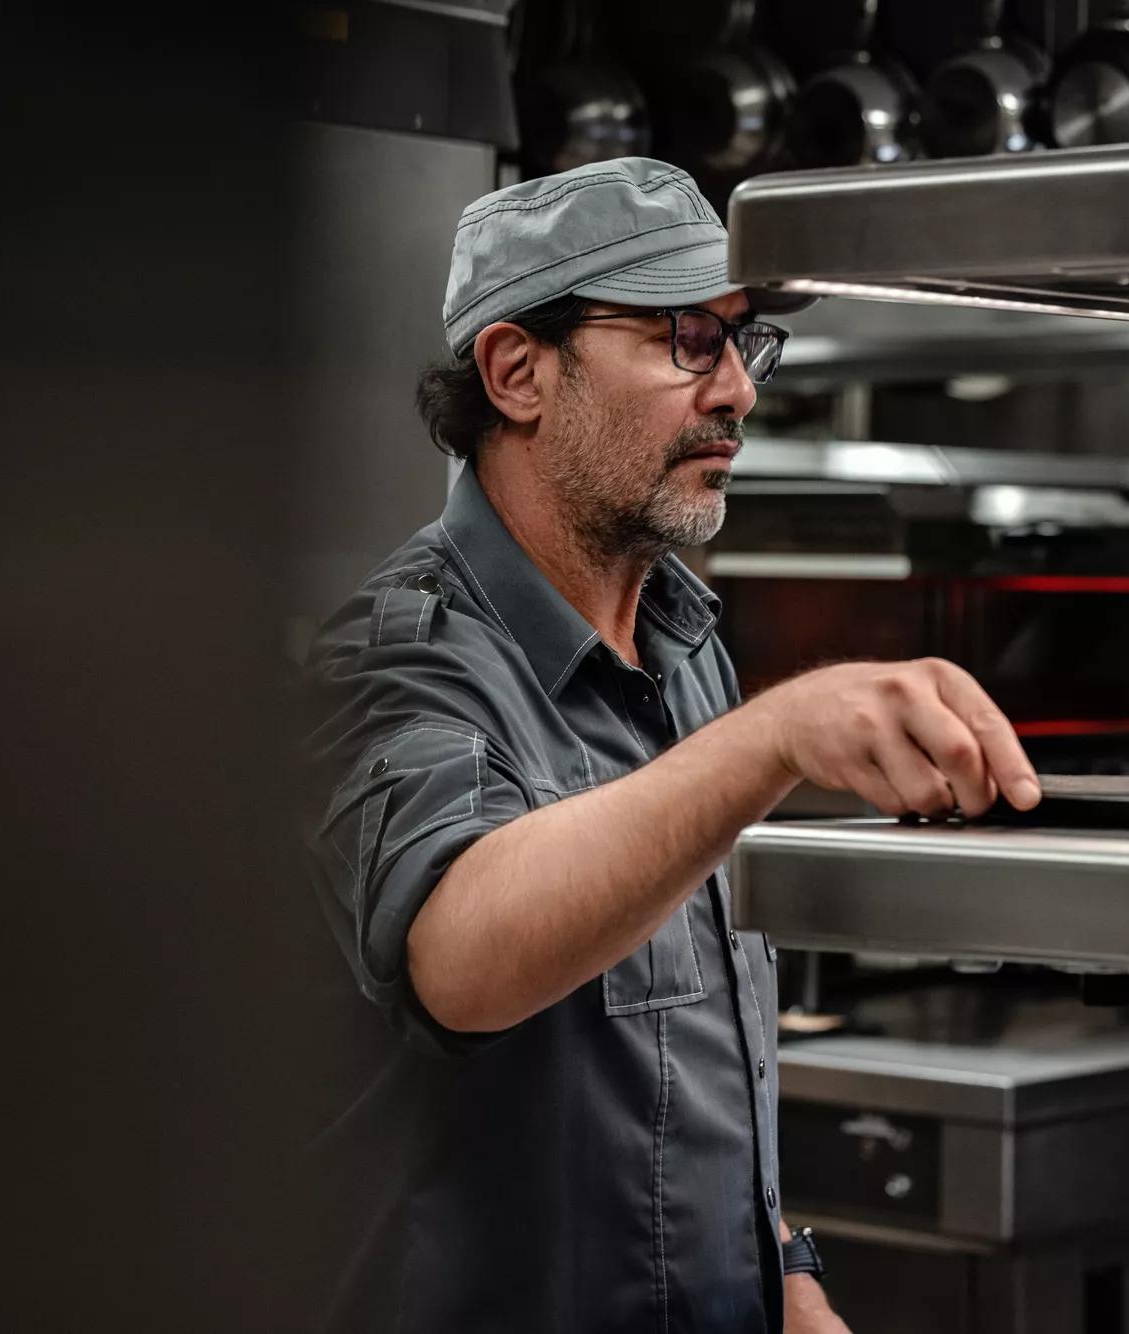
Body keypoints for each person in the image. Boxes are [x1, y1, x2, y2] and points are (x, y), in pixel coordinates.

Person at [302, 157, 1042, 1333]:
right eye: (689, 338)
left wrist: (790, 1280)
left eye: (747, 344)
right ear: (517, 371)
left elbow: (695, 1066)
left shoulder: (686, 649)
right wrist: (782, 731)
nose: (740, 391)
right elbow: (462, 953)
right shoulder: (397, 662)